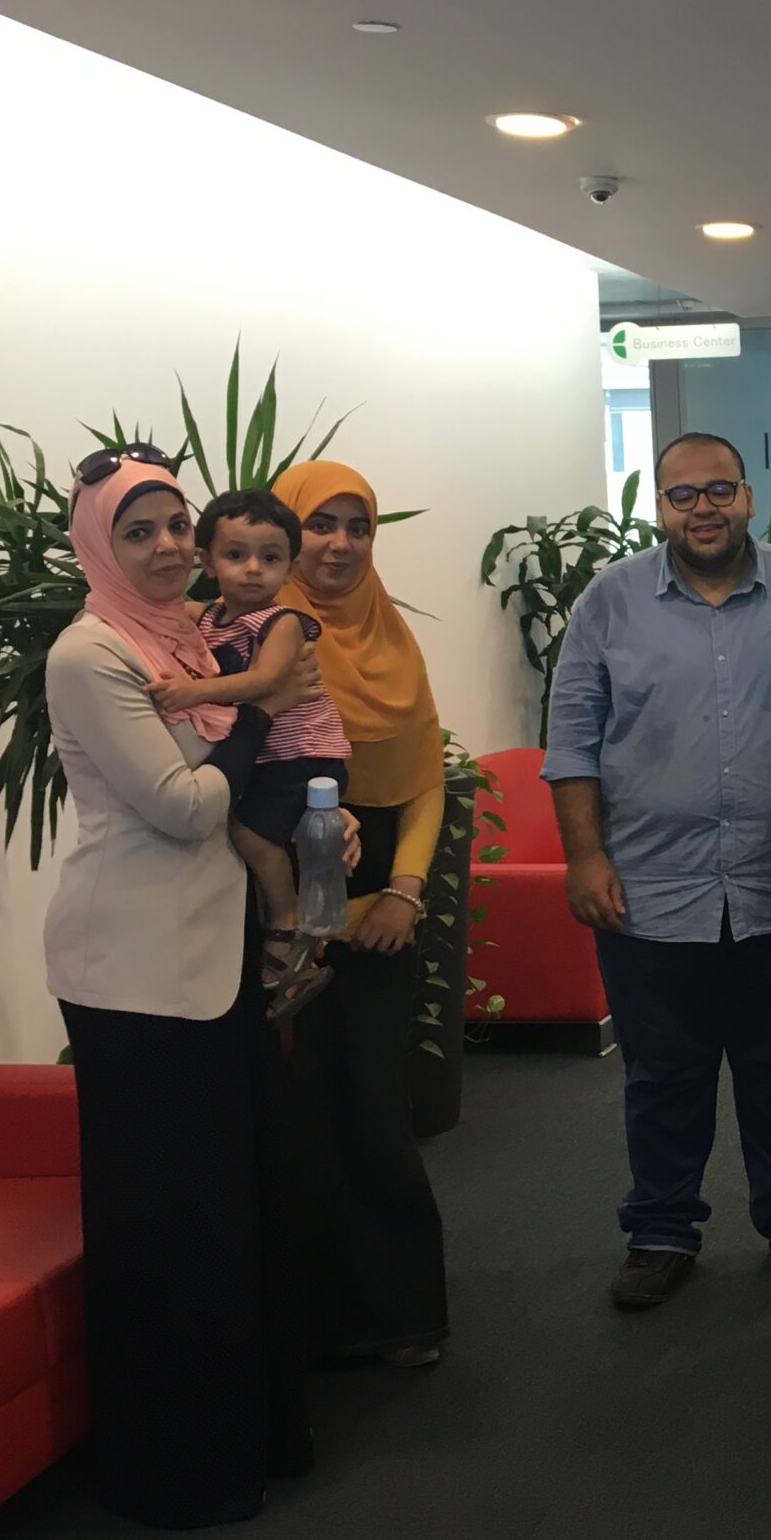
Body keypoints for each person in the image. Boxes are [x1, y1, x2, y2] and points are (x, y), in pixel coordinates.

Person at [44, 445, 327, 1526]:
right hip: (137, 975)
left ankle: (250, 1437)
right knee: (168, 1231)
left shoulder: (189, 637)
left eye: (175, 526)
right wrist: (259, 712)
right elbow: (186, 807)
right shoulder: (92, 653)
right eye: (139, 532)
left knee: (232, 1212)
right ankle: (177, 1469)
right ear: (98, 544)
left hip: (215, 956)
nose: (166, 548)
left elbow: (247, 790)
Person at [543, 433, 771, 1310]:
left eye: (719, 491)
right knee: (662, 1075)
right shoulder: (610, 600)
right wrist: (585, 856)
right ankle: (661, 1230)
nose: (702, 509)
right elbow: (573, 740)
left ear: (747, 496)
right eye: (682, 495)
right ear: (661, 508)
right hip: (651, 889)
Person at [271, 459, 453, 1370]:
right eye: (321, 524)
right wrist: (307, 913)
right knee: (292, 1109)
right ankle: (297, 1320)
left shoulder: (391, 637)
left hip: (381, 909)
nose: (340, 544)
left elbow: (424, 778)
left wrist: (406, 892)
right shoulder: (250, 637)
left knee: (372, 1105)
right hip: (278, 909)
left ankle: (394, 1315)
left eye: (358, 526)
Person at [149, 487, 350, 1014]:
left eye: (271, 557)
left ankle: (286, 922)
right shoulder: (211, 616)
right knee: (244, 830)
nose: (254, 570)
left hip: (303, 754)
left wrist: (193, 692)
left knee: (249, 834)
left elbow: (265, 681)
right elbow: (172, 609)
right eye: (236, 555)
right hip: (271, 754)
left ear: (290, 566)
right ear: (207, 561)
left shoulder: (281, 622)